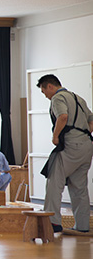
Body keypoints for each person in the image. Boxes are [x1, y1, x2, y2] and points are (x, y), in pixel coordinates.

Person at [37, 74, 93, 233]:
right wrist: (83, 135)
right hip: (87, 146)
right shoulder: (78, 98)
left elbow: (62, 116)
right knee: (79, 187)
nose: (46, 96)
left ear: (49, 86)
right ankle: (82, 226)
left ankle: (53, 222)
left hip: (70, 146)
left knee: (54, 182)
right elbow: (92, 120)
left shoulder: (58, 98)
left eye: (44, 92)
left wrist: (55, 137)